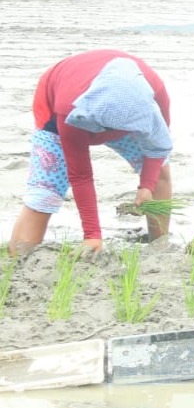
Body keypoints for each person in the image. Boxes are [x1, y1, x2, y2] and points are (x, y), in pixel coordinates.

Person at [8, 50, 174, 256]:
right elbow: (80, 175)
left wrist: (147, 185)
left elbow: (157, 147)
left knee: (160, 174)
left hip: (130, 116)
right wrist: (92, 234)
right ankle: (17, 265)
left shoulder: (154, 93)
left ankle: (159, 247)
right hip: (63, 116)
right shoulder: (68, 110)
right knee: (44, 193)